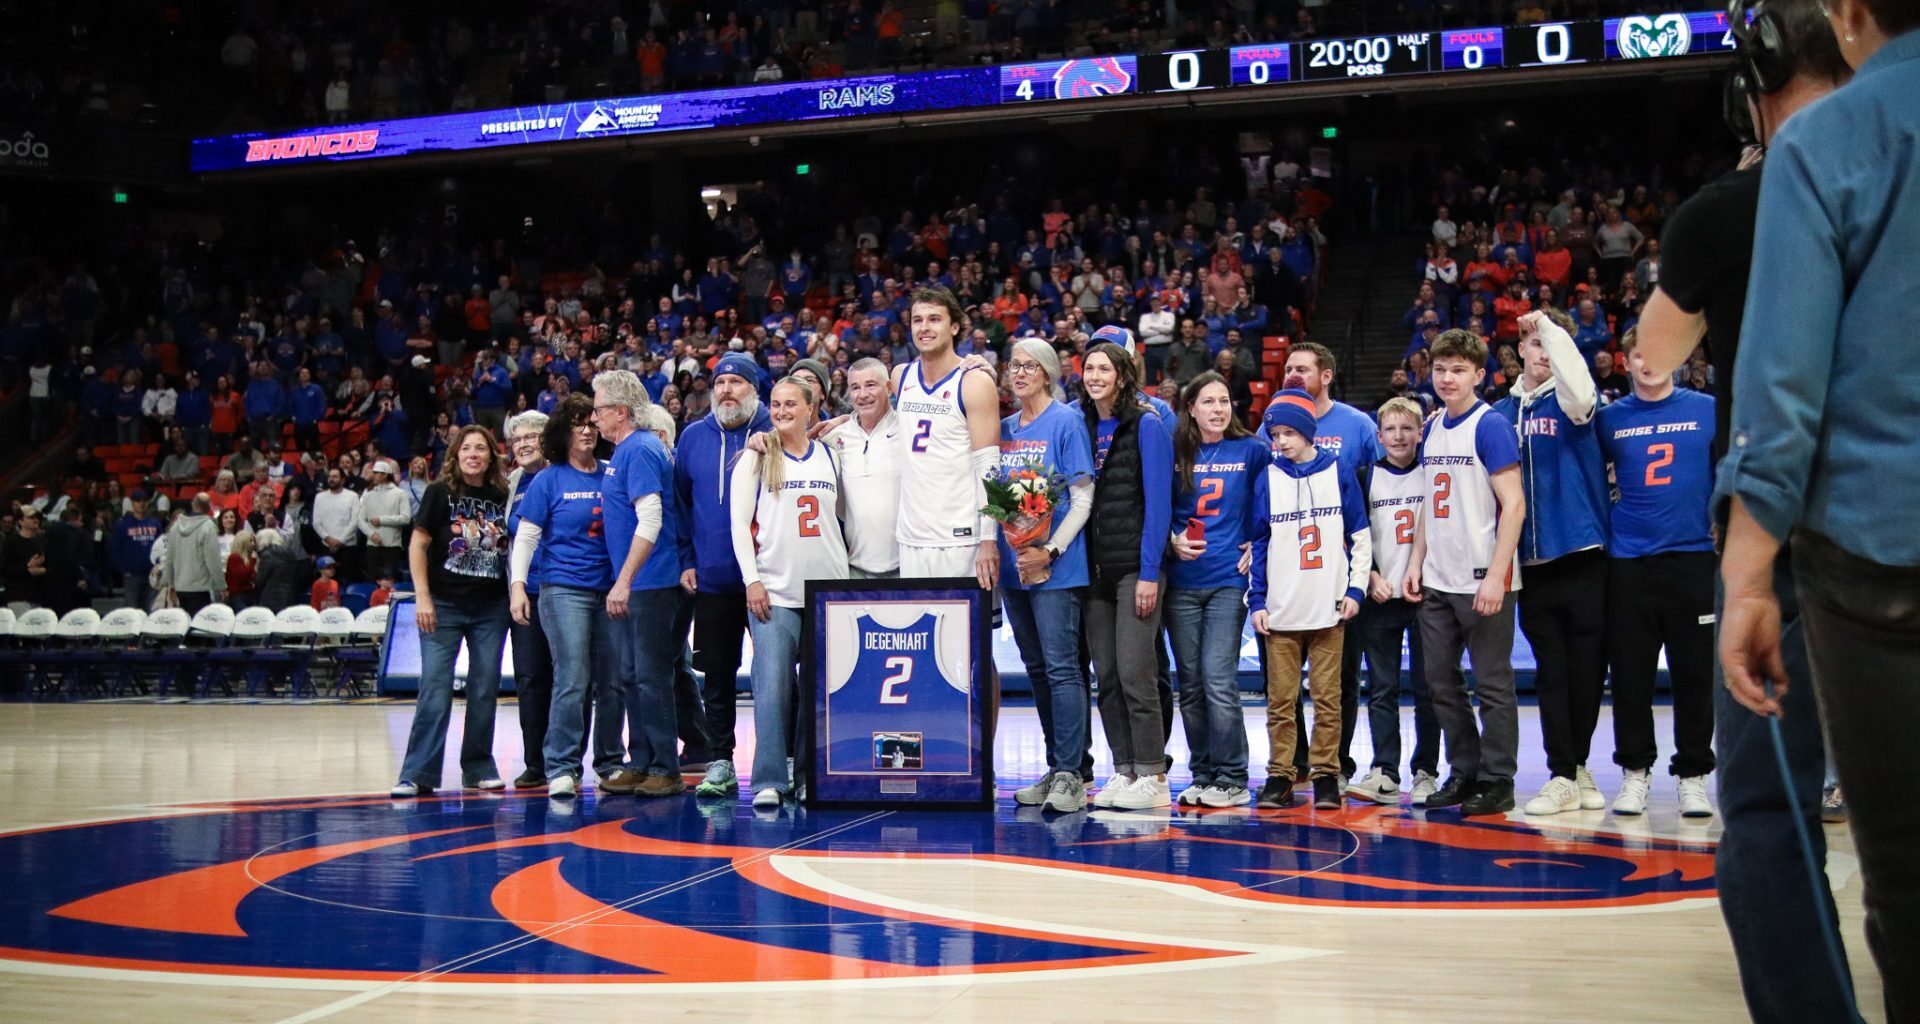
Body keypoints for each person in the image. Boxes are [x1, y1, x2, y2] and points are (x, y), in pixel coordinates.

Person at [1628, 3, 1860, 1015]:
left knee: (1767, 805)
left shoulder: (1734, 209)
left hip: (1790, 532)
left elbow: (1656, 354)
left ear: (1755, 86)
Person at [1719, 2, 1920, 1015]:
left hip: (1879, 565)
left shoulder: (1823, 143)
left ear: (1850, 14)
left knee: (1909, 889)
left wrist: (1750, 570)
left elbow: (1782, 387)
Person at [1491, 310, 1611, 817]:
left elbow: (1581, 394)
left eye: (1551, 345)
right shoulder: (1498, 411)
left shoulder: (1575, 401)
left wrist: (1554, 330)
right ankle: (1562, 772)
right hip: (1531, 562)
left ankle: (1577, 764)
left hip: (1582, 552)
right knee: (1552, 674)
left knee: (1587, 671)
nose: (1542, 353)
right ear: (1520, 350)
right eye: (1535, 344)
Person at [1404, 329, 1526, 817]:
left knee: (1493, 684)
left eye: (1458, 370)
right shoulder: (1432, 427)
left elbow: (1513, 505)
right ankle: (1465, 770)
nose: (1447, 378)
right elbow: (1427, 506)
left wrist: (1497, 575)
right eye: (1440, 369)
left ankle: (1499, 779)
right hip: (1437, 578)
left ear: (1479, 375)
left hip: (1482, 578)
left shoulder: (1490, 425)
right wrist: (1415, 562)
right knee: (1439, 681)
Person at [1596, 327, 1717, 817]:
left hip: (1693, 559)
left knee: (1694, 674)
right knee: (1630, 674)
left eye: (1660, 351)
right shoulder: (1608, 420)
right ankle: (1635, 773)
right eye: (1640, 355)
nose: (1650, 363)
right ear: (1626, 362)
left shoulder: (1707, 409)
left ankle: (1692, 775)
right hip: (1629, 563)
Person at [1249, 389, 1371, 810]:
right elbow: (1259, 543)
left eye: (1288, 433)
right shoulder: (1268, 476)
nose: (1280, 441)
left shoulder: (1339, 472)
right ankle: (1280, 776)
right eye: (1274, 433)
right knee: (1281, 702)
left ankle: (1325, 775)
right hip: (1281, 610)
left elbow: (1359, 535)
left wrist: (1356, 588)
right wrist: (1257, 600)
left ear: (1307, 432)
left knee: (1328, 699)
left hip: (1328, 607)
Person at [730, 376, 849, 808]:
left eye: (790, 405)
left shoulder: (833, 458)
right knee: (773, 688)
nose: (781, 412)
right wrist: (752, 580)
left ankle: (806, 777)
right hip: (775, 590)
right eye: (775, 405)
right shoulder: (757, 458)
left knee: (818, 692)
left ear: (811, 408)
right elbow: (739, 526)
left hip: (826, 594)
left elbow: (842, 521)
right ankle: (768, 779)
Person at [1268, 341, 1383, 787]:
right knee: (1283, 687)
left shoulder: (1357, 425)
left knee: (1339, 680)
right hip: (1289, 579)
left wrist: (1364, 573)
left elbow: (1372, 500)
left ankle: (1335, 764)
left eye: (1303, 368)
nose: (1293, 374)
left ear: (1327, 375)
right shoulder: (1276, 424)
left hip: (1337, 577)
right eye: (1289, 368)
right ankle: (1291, 762)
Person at [997, 339, 1097, 814]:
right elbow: (997, 498)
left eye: (1030, 366)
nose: (1019, 373)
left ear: (1049, 373)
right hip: (1016, 568)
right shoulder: (1004, 429)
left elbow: (1082, 499)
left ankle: (1072, 774)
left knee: (1061, 668)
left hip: (1056, 567)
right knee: (1036, 669)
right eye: (1014, 366)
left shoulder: (1067, 421)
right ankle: (1057, 766)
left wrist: (1050, 549)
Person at [510, 396, 623, 799]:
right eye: (579, 424)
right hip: (563, 589)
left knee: (613, 681)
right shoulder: (548, 479)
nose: (588, 430)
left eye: (593, 423)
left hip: (610, 590)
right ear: (564, 431)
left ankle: (610, 763)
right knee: (573, 677)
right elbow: (525, 536)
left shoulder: (612, 474)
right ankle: (561, 765)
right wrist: (518, 587)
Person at [390, 425, 510, 798]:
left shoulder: (502, 495)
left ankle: (477, 768)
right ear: (456, 456)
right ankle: (417, 772)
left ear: (491, 456)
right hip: (442, 605)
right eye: (466, 448)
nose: (473, 454)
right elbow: (417, 545)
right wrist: (422, 596)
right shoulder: (439, 492)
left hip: (491, 607)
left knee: (485, 687)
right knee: (435, 689)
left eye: (481, 448)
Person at [673, 353, 773, 799]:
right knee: (717, 674)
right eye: (720, 382)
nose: (727, 389)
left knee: (777, 673)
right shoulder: (693, 437)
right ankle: (720, 761)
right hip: (713, 578)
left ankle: (782, 760)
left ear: (755, 389)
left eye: (737, 382)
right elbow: (679, 506)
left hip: (770, 577)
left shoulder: (776, 431)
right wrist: (686, 559)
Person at [1165, 371, 1266, 808]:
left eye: (1224, 401)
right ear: (1191, 408)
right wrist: (1172, 539)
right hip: (1181, 584)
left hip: (1227, 580)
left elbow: (1273, 505)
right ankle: (1204, 772)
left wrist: (1258, 544)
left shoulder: (1253, 450)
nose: (1218, 409)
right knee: (1189, 683)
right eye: (1208, 402)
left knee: (1217, 678)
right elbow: (1156, 509)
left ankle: (1233, 776)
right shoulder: (1173, 451)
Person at [1079, 341, 1173, 809]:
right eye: (1089, 368)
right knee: (1109, 676)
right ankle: (1125, 769)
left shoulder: (1147, 423)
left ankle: (1153, 776)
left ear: (1121, 374)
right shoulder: (1083, 422)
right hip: (1093, 571)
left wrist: (1150, 572)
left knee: (1137, 673)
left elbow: (1159, 503)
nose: (1095, 375)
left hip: (1135, 569)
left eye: (1104, 368)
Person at [1346, 399, 1448, 807]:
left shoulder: (1433, 475)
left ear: (1420, 433)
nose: (1399, 437)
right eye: (1391, 429)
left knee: (1429, 688)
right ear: (1379, 435)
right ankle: (1385, 771)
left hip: (1426, 596)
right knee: (1383, 688)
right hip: (1380, 596)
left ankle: (1425, 770)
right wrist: (1370, 577)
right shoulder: (1365, 476)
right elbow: (1352, 536)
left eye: (1407, 428)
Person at [593, 370, 687, 798]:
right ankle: (643, 760)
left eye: (597, 409)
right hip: (637, 581)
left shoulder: (642, 449)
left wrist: (624, 580)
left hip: (651, 581)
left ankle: (666, 767)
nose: (593, 418)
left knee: (650, 675)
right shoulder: (628, 451)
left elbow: (652, 519)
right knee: (632, 674)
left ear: (620, 411)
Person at [890, 287, 1001, 588]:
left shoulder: (974, 381)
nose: (924, 328)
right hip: (911, 536)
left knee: (961, 635)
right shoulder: (901, 376)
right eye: (917, 320)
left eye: (934, 319)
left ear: (954, 327)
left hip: (960, 540)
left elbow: (990, 468)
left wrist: (988, 539)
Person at [502, 411, 553, 789]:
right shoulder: (513, 482)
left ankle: (569, 759)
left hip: (565, 590)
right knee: (530, 679)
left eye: (531, 436)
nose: (522, 443)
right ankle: (535, 761)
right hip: (524, 594)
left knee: (572, 680)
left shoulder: (564, 473)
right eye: (517, 438)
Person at [824, 358, 901, 579]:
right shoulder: (835, 437)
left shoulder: (908, 428)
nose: (862, 394)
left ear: (888, 388)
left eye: (870, 385)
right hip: (854, 567)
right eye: (855, 387)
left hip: (908, 564)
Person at [163, 493, 225, 613]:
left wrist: (170, 585)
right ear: (209, 508)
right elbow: (213, 559)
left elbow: (169, 558)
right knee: (199, 627)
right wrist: (221, 586)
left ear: (192, 504)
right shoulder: (208, 527)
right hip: (201, 588)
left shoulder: (175, 526)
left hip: (180, 587)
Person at [355, 459, 411, 583]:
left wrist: (382, 520)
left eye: (376, 473)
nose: (373, 475)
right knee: (372, 580)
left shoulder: (400, 494)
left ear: (385, 475)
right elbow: (360, 520)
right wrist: (372, 534)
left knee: (390, 583)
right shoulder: (369, 495)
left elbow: (406, 518)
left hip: (392, 546)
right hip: (372, 546)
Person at [108, 491, 163, 612]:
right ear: (133, 503)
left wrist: (160, 566)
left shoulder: (155, 524)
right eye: (138, 501)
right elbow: (115, 549)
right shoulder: (123, 525)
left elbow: (161, 547)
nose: (141, 504)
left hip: (152, 575)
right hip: (132, 575)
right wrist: (124, 569)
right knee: (132, 611)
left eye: (144, 501)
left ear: (148, 503)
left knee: (152, 610)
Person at [313, 468, 361, 582]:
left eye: (335, 477)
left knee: (347, 580)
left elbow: (355, 521)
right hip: (326, 546)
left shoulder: (352, 496)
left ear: (343, 480)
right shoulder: (320, 497)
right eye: (330, 476)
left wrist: (341, 541)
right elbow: (316, 522)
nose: (331, 479)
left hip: (347, 546)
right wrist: (328, 539)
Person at [252, 528, 304, 611]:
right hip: (289, 596)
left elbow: (260, 580)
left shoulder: (266, 555)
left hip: (270, 598)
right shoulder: (290, 553)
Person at [225, 529, 258, 610]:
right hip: (238, 597)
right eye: (250, 541)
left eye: (254, 541)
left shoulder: (248, 559)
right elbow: (242, 577)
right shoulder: (235, 557)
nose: (253, 544)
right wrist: (253, 562)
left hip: (249, 594)